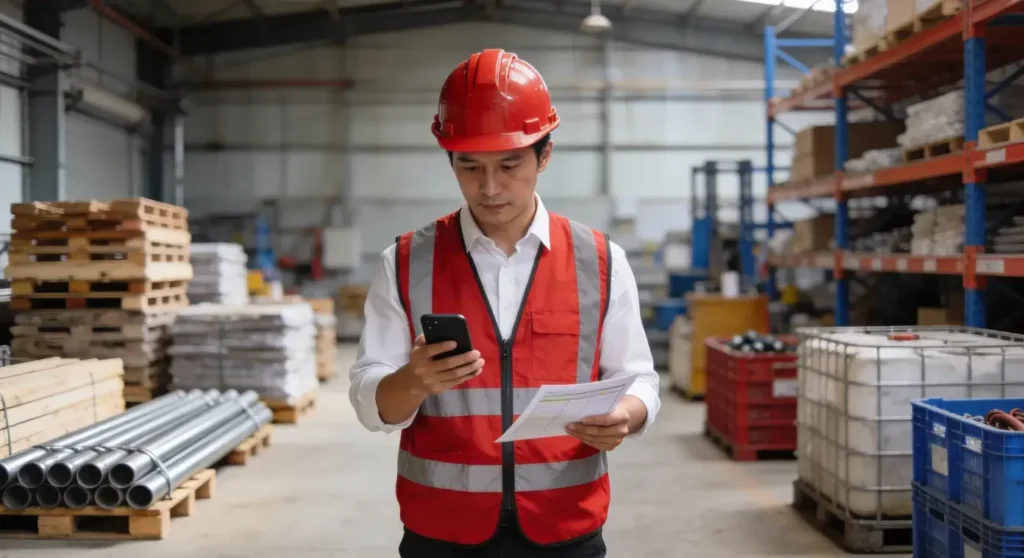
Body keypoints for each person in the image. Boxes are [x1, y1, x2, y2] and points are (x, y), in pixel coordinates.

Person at [349, 48, 661, 558]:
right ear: (450, 159)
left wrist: (627, 414)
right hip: (442, 532)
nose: (490, 187)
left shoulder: (600, 260)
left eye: (509, 164)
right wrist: (413, 381)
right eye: (470, 166)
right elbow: (370, 403)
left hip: (565, 527)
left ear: (545, 155)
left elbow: (639, 378)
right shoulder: (405, 262)